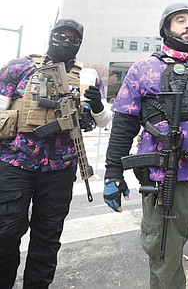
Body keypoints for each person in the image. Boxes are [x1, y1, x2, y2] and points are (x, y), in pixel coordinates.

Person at [103, 2, 188, 289]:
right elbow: (124, 124)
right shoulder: (143, 69)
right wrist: (113, 173)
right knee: (165, 264)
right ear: (166, 29)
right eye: (180, 20)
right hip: (166, 182)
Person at [0, 18, 112, 288]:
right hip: (15, 162)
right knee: (5, 232)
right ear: (51, 36)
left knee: (47, 238)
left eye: (73, 39)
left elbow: (104, 120)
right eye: (60, 35)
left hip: (60, 168)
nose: (66, 41)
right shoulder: (20, 68)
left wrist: (96, 104)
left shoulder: (87, 76)